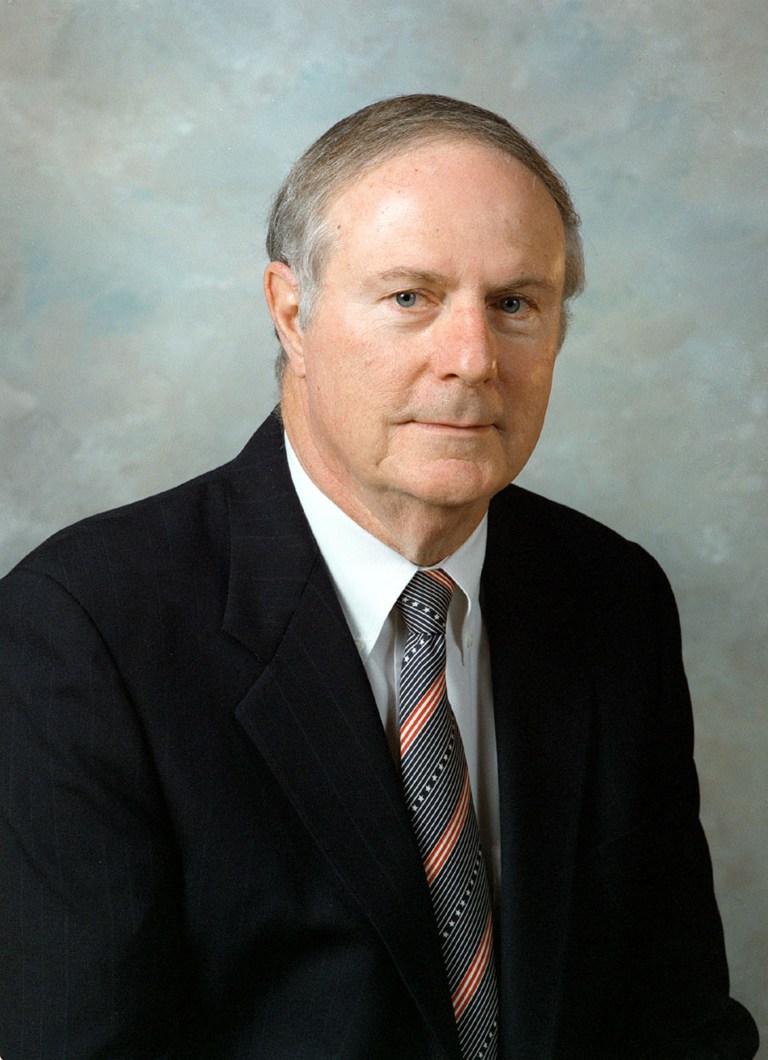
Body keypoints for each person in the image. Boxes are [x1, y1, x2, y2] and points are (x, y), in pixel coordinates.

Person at [0, 94, 758, 1060]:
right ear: (293, 314)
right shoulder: (84, 631)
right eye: (410, 298)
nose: (472, 360)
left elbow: (678, 1026)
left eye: (515, 304)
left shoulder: (613, 597)